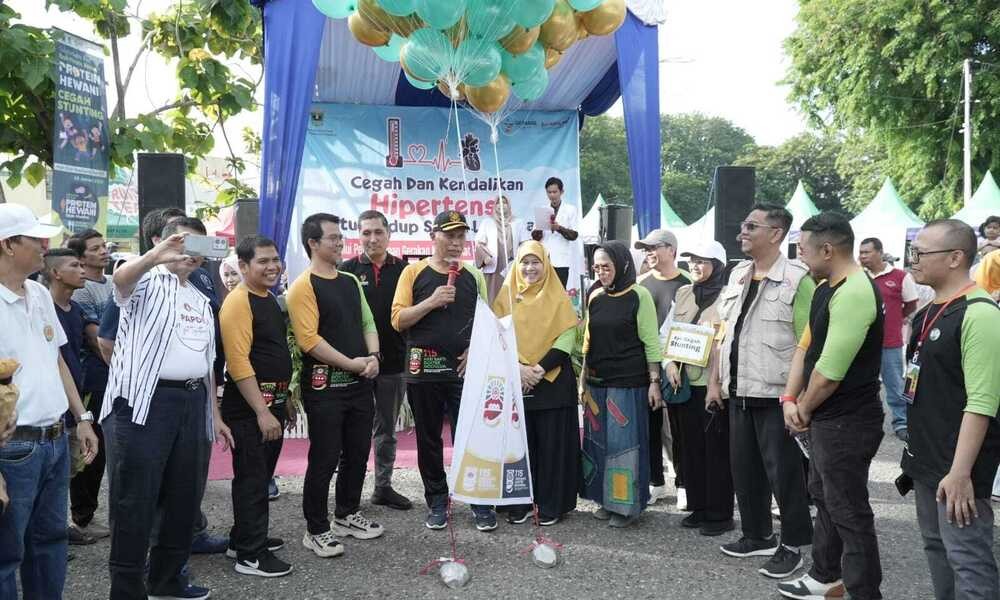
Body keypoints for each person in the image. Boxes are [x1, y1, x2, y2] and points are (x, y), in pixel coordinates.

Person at [101, 217, 233, 600]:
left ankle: (168, 581)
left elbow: (206, 362)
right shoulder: (144, 278)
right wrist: (156, 255)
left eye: (200, 247)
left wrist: (214, 414)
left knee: (184, 497)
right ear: (166, 243)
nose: (191, 255)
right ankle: (127, 590)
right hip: (144, 403)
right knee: (135, 499)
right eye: (185, 244)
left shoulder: (200, 295)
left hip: (192, 401)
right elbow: (121, 279)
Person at [778, 213, 885, 600]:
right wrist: (789, 399)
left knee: (848, 509)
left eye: (803, 250)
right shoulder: (826, 287)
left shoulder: (855, 291)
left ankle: (863, 592)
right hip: (825, 416)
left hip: (848, 420)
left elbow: (830, 373)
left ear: (827, 250)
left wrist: (802, 408)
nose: (800, 258)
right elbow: (805, 346)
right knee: (825, 497)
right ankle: (825, 576)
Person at [0, 204, 98, 599]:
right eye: (35, 238)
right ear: (8, 244)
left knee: (50, 544)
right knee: (7, 553)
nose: (45, 245)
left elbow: (56, 358)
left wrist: (82, 416)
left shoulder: (39, 292)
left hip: (55, 440)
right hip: (12, 448)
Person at [712, 203, 815, 579]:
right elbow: (723, 332)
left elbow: (808, 343)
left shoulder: (798, 280)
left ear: (776, 234)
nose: (742, 231)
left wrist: (798, 398)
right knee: (745, 470)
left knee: (784, 475)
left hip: (776, 394)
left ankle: (794, 545)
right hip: (738, 388)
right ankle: (757, 535)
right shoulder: (738, 273)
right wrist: (714, 382)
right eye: (743, 224)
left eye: (751, 226)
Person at [903, 219, 1000, 600]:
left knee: (967, 559)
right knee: (936, 548)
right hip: (926, 461)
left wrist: (960, 473)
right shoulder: (930, 310)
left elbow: (982, 403)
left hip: (959, 467)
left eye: (920, 253)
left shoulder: (980, 314)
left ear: (956, 257)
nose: (913, 260)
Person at [288, 213, 383, 558]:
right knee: (325, 457)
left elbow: (367, 321)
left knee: (357, 452)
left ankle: (346, 513)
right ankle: (316, 529)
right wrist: (352, 363)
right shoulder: (303, 287)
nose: (340, 243)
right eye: (333, 238)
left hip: (359, 385)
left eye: (341, 237)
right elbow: (309, 341)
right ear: (313, 243)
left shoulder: (349, 280)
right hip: (325, 387)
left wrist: (373, 356)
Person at [391, 210, 493, 531]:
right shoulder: (413, 272)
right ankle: (437, 499)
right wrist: (431, 302)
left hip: (463, 372)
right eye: (449, 235)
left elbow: (486, 322)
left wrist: (474, 349)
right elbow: (398, 320)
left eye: (460, 236)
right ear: (433, 236)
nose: (455, 242)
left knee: (470, 438)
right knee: (429, 439)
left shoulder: (473, 276)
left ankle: (479, 501)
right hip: (424, 370)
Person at [219, 235, 294, 577]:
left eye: (275, 259)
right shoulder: (238, 302)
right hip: (249, 409)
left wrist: (283, 399)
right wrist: (262, 411)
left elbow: (272, 352)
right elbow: (238, 362)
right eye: (263, 261)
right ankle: (250, 554)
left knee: (261, 476)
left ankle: (243, 539)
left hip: (271, 403)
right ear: (243, 266)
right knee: (251, 480)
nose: (272, 266)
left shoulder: (269, 299)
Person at [492, 241, 580, 525]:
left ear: (546, 264)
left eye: (536, 262)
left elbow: (567, 336)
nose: (530, 268)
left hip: (552, 383)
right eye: (525, 262)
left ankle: (551, 504)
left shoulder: (557, 296)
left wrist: (538, 369)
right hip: (516, 380)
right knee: (519, 447)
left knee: (552, 447)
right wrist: (519, 369)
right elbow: (497, 336)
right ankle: (519, 503)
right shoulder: (506, 296)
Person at [581, 240, 663, 528]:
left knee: (623, 446)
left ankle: (626, 506)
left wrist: (654, 382)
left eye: (606, 267)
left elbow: (651, 342)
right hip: (596, 382)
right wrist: (582, 379)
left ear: (622, 265)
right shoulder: (595, 296)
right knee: (597, 443)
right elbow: (588, 341)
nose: (601, 272)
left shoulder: (639, 295)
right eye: (596, 268)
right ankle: (605, 499)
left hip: (627, 383)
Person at [340, 210, 412, 510]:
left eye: (378, 232)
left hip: (394, 363)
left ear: (389, 234)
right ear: (358, 235)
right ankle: (347, 496)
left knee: (386, 431)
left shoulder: (406, 271)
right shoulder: (346, 271)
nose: (372, 238)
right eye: (366, 232)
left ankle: (383, 487)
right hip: (356, 365)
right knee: (352, 432)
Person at [663, 240, 735, 537]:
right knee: (689, 448)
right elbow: (666, 332)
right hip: (683, 384)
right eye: (692, 260)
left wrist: (716, 383)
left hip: (712, 386)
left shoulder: (729, 296)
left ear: (717, 266)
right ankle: (698, 506)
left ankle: (719, 514)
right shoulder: (683, 293)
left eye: (702, 261)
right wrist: (668, 363)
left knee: (715, 451)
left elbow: (728, 341)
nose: (695, 265)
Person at [42, 248, 96, 547]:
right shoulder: (42, 308)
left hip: (75, 399)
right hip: (50, 406)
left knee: (69, 469)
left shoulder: (75, 311)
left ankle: (59, 527)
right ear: (55, 273)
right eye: (75, 265)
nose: (82, 270)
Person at [634, 228, 692, 508]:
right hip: (646, 366)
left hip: (679, 367)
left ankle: (683, 483)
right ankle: (655, 481)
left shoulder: (688, 283)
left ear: (671, 250)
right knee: (649, 427)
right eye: (646, 249)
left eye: (654, 247)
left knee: (680, 430)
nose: (649, 253)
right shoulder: (640, 284)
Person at [66, 229, 114, 541]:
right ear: (81, 258)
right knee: (88, 449)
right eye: (95, 248)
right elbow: (97, 340)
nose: (103, 251)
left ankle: (87, 514)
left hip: (114, 375)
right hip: (93, 378)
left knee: (105, 448)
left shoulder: (112, 283)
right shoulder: (82, 291)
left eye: (104, 246)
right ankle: (81, 517)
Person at [859, 237, 918, 442]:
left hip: (890, 342)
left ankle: (901, 422)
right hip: (862, 343)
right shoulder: (859, 277)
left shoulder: (900, 277)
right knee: (862, 385)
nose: (862, 256)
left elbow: (911, 304)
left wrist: (896, 319)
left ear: (880, 252)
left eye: (866, 252)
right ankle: (865, 421)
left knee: (895, 385)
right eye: (861, 253)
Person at [476, 195, 528, 304]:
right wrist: (485, 257)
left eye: (504, 202)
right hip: (493, 265)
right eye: (498, 203)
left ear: (508, 205)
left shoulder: (518, 222)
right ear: (494, 206)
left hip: (511, 263)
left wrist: (522, 260)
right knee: (491, 297)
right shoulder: (487, 222)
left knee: (510, 296)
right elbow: (479, 243)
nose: (501, 205)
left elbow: (524, 243)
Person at [531, 177, 579, 288]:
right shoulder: (542, 210)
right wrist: (541, 227)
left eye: (554, 192)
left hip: (561, 260)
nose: (552, 195)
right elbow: (535, 237)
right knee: (542, 290)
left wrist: (559, 228)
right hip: (544, 258)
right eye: (549, 192)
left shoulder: (570, 210)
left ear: (561, 192)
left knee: (559, 291)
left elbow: (574, 235)